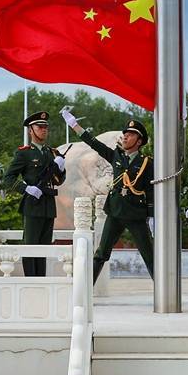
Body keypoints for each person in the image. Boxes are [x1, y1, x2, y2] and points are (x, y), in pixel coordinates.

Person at [61, 109, 153, 283]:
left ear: (139, 141)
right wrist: (75, 126)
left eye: (131, 135)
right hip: (115, 212)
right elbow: (93, 143)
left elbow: (151, 190)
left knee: (150, 257)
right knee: (101, 254)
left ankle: (164, 294)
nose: (125, 137)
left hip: (136, 214)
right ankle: (86, 292)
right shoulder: (116, 156)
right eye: (125, 134)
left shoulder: (146, 162)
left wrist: (152, 215)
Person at [3, 111, 66, 277]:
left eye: (46, 127)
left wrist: (61, 168)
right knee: (30, 247)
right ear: (30, 130)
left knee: (44, 249)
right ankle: (31, 281)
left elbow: (59, 180)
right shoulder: (24, 153)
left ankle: (41, 281)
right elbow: (7, 178)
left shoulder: (50, 152)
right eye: (40, 127)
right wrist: (26, 188)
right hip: (32, 205)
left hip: (48, 205)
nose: (44, 130)